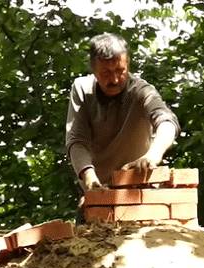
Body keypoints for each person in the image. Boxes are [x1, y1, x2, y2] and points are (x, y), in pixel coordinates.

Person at [64, 33, 180, 192]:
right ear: (93, 69)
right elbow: (77, 140)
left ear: (128, 64)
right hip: (99, 191)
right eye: (105, 73)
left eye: (120, 70)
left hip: (139, 189)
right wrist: (89, 177)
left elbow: (166, 121)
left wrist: (153, 155)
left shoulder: (141, 91)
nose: (114, 80)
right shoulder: (82, 89)